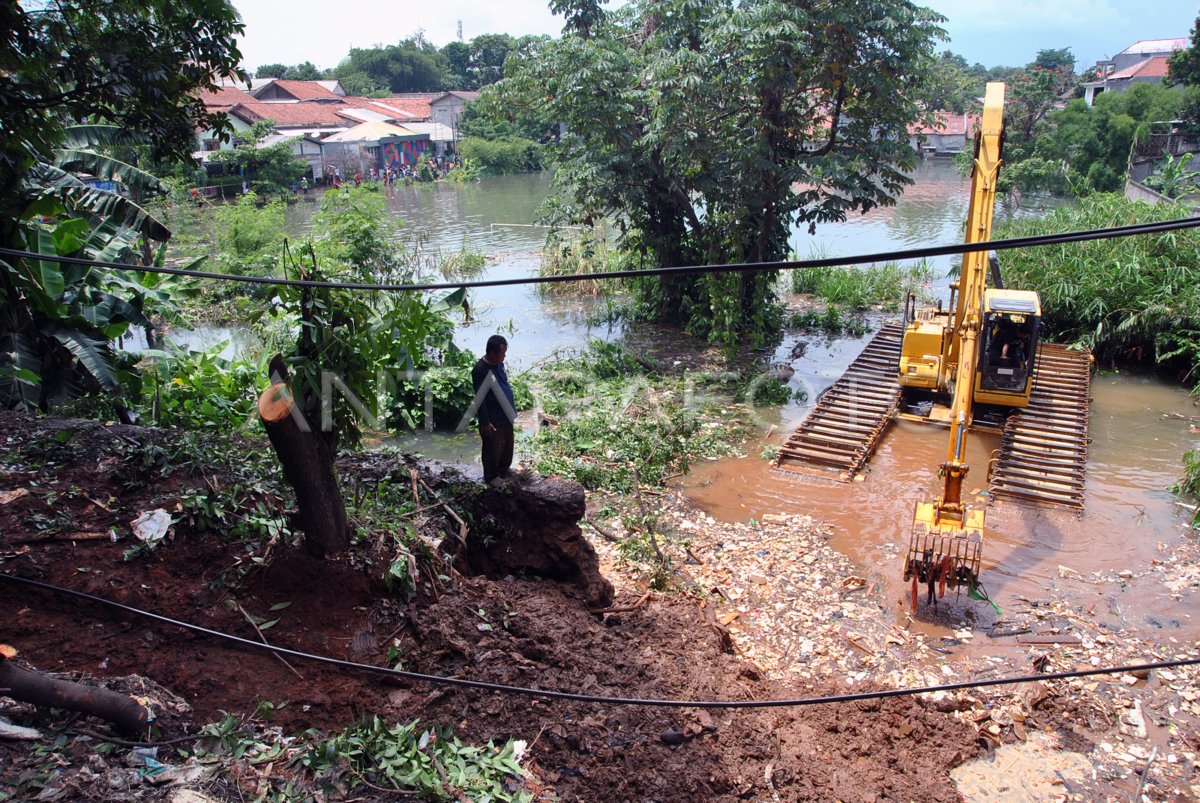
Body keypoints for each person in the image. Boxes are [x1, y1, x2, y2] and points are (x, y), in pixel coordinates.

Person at [472, 335, 516, 484]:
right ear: (492, 353)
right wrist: (485, 422)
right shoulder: (480, 370)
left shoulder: (499, 365)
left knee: (507, 445)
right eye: (502, 353)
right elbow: (480, 398)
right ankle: (490, 476)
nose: (504, 357)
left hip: (506, 414)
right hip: (493, 418)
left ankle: (504, 469)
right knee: (493, 448)